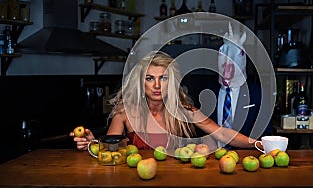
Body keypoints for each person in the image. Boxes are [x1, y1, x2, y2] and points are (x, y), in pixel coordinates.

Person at [70, 50, 259, 152]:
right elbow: (113, 147)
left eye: (164, 78)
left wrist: (259, 144)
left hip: (174, 183)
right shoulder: (124, 112)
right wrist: (93, 144)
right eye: (150, 78)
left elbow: (223, 134)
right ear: (140, 82)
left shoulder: (183, 109)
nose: (157, 85)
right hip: (136, 186)